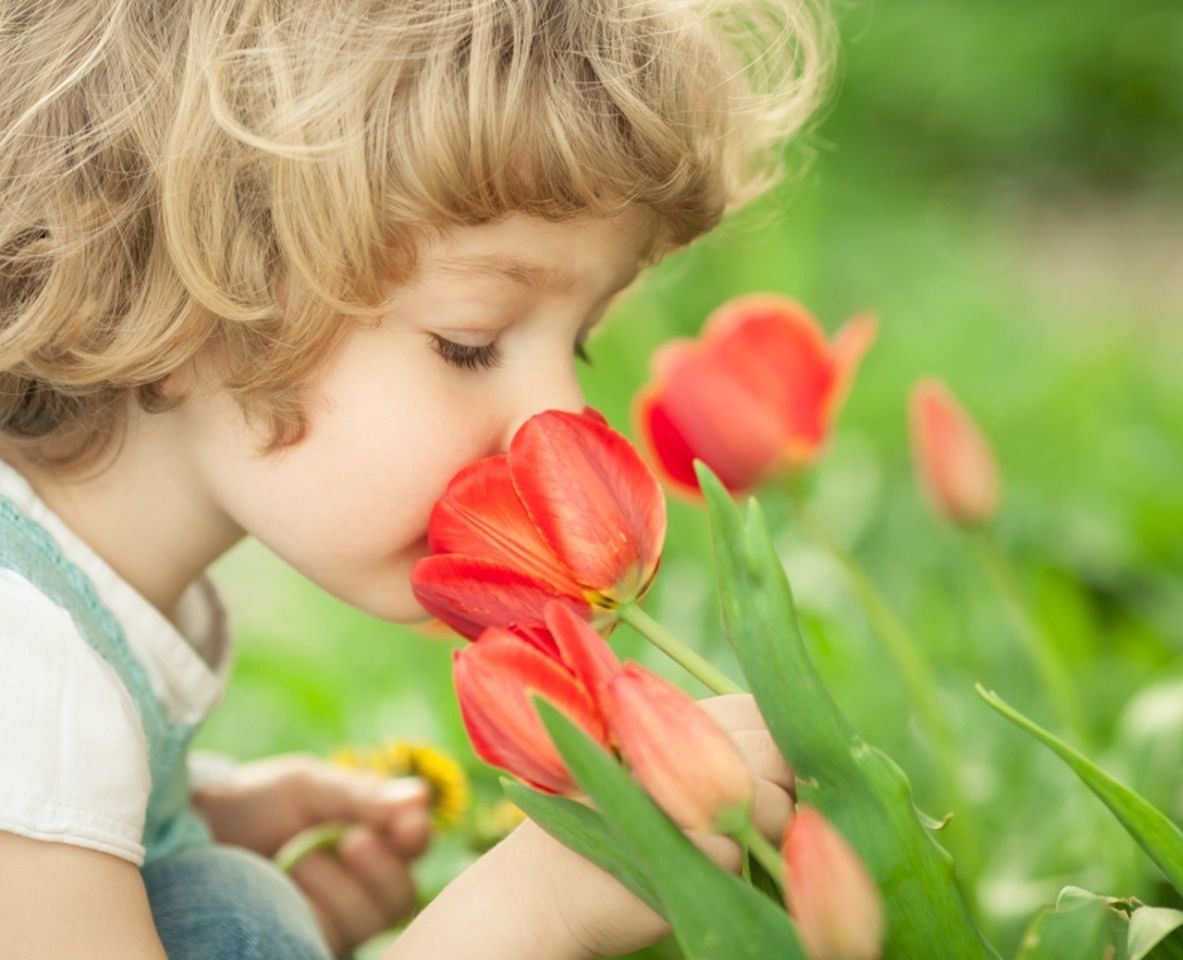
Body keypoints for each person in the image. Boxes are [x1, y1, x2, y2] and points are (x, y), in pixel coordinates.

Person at [0, 0, 833, 957]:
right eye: (469, 343)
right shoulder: (22, 670)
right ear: (163, 274)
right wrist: (538, 908)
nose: (552, 425)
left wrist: (201, 816)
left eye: (583, 345)